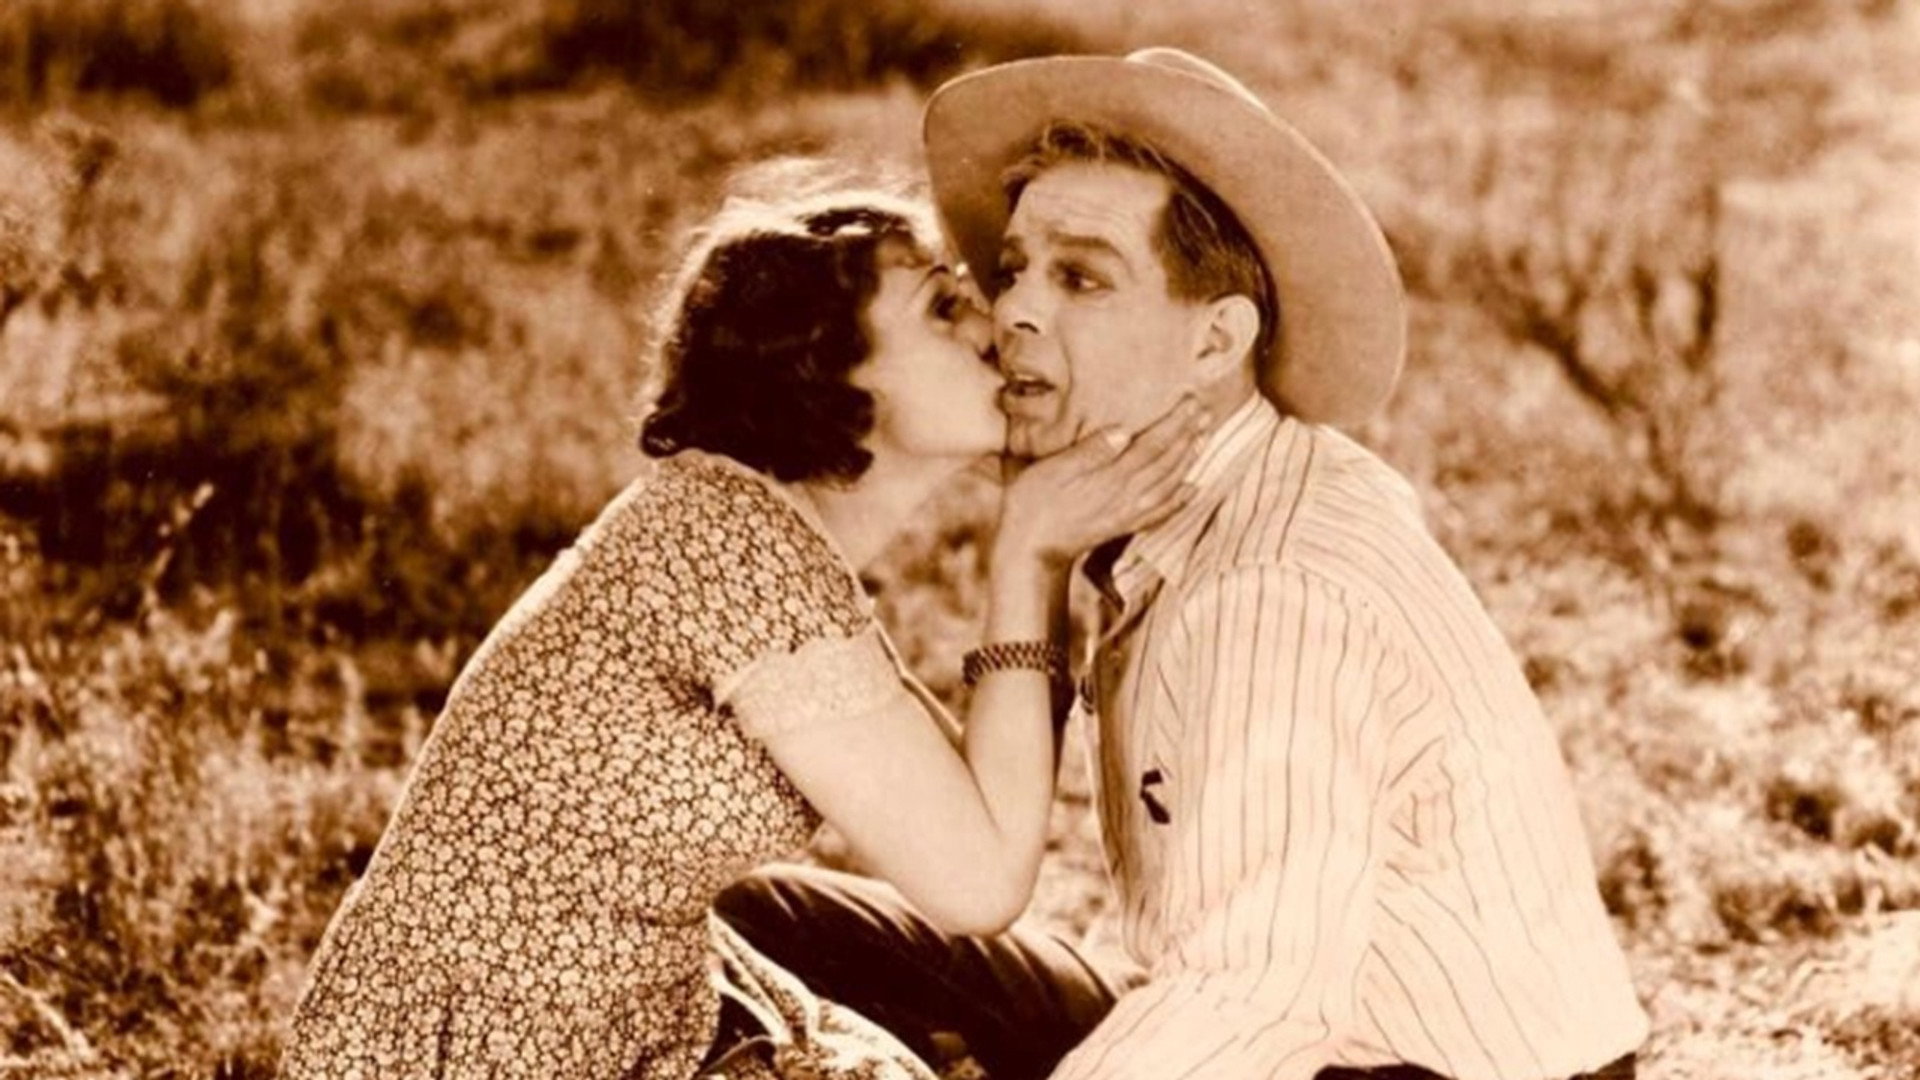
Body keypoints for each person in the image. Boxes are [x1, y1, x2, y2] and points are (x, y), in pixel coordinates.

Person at [716, 49, 1651, 1080]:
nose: (1013, 310)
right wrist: (1029, 560)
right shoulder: (1209, 499)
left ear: (1214, 344)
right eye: (1015, 268)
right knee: (762, 923)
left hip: (1409, 1067)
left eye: (1081, 278)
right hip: (1302, 1029)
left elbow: (1250, 996)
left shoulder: (1271, 589)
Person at [276, 185, 1208, 1080]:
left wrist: (1040, 551)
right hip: (489, 1048)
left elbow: (973, 816)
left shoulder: (747, 528)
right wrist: (1029, 559)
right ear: (833, 374)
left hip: (609, 1017)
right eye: (942, 307)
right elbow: (978, 881)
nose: (993, 325)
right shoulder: (734, 549)